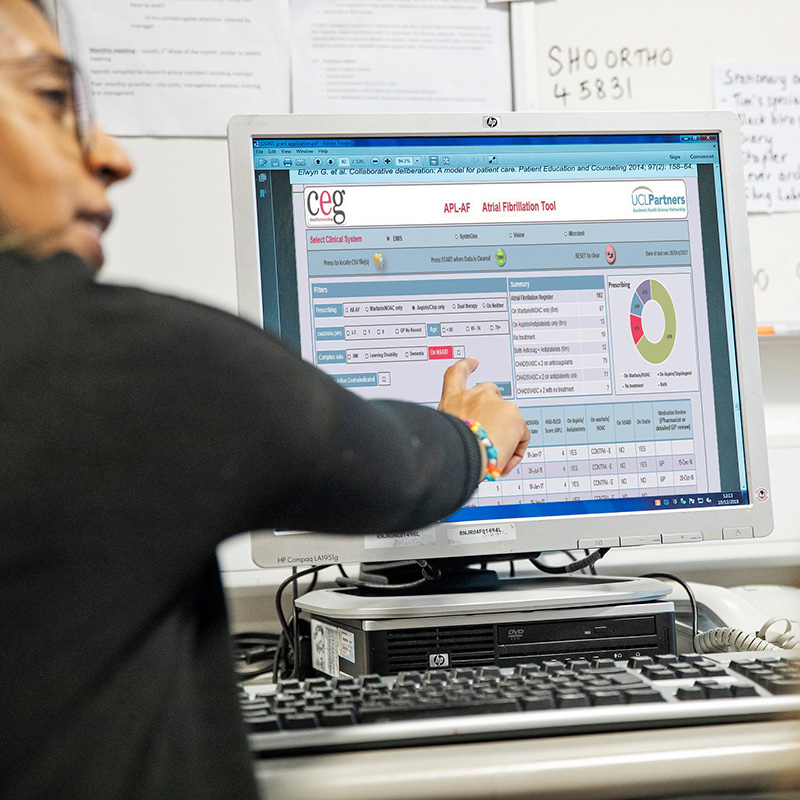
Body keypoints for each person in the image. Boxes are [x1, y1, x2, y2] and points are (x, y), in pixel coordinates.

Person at [0, 1, 530, 798]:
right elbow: (398, 471)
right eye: (50, 102)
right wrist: (475, 439)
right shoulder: (138, 368)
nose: (108, 155)